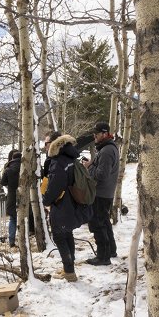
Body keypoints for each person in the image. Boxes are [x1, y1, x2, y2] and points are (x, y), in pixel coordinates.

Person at [42, 135, 92, 282]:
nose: (45, 146)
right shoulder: (70, 158)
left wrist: (46, 199)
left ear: (55, 144)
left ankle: (69, 271)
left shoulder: (58, 162)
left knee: (59, 237)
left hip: (62, 205)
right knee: (67, 234)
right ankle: (69, 268)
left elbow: (55, 186)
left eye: (47, 143)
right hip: (72, 204)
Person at [82, 121, 119, 266]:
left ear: (104, 134)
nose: (94, 137)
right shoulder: (107, 148)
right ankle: (110, 250)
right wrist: (93, 163)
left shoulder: (107, 150)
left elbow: (101, 175)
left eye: (96, 134)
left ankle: (103, 256)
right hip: (105, 192)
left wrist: (88, 168)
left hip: (101, 193)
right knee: (104, 222)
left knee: (97, 224)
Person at [1, 149, 21, 247]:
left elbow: (3, 182)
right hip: (25, 195)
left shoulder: (8, 168)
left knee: (13, 219)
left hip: (12, 195)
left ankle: (11, 240)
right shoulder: (25, 166)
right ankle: (23, 238)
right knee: (24, 218)